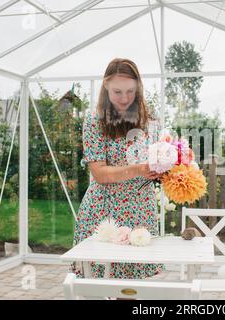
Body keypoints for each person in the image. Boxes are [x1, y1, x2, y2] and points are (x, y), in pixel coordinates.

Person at [71, 58, 164, 280]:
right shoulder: (95, 121)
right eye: (117, 92)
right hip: (104, 212)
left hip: (141, 210)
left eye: (131, 91)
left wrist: (161, 169)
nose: (124, 98)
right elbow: (100, 174)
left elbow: (154, 161)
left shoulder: (149, 121)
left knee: (132, 288)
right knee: (98, 285)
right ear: (105, 86)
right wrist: (140, 169)